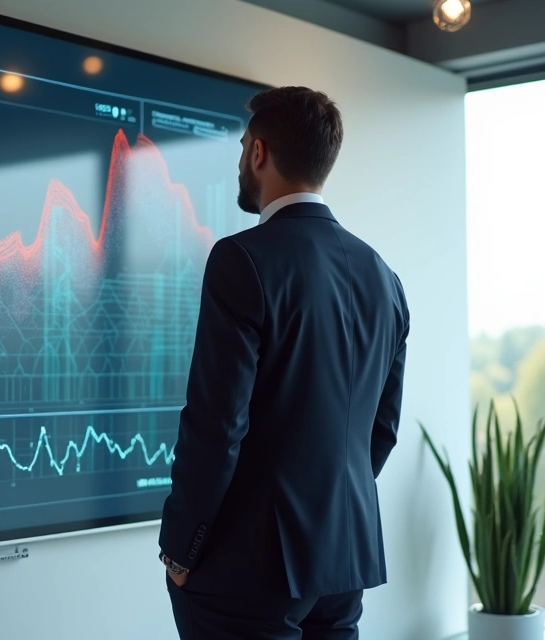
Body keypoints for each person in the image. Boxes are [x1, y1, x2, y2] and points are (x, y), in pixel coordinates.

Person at [157, 86, 410, 640]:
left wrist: (181, 547)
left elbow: (217, 426)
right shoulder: (383, 277)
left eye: (244, 144)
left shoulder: (241, 260)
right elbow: (381, 430)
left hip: (247, 567)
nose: (242, 157)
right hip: (342, 558)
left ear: (258, 153)